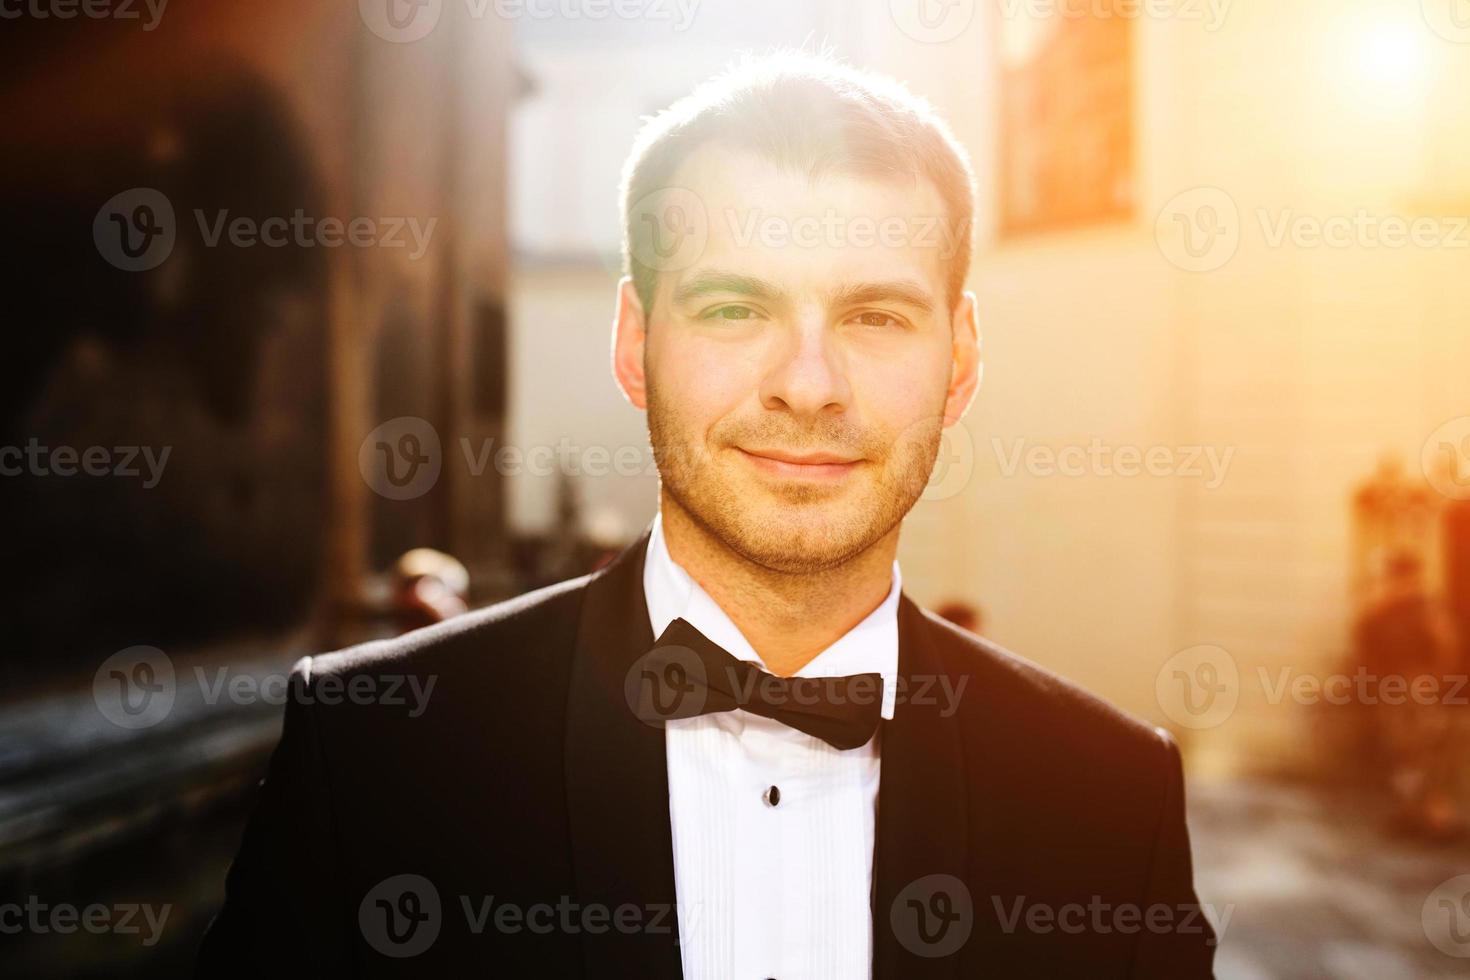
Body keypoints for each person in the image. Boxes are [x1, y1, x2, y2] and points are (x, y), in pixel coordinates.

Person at [198, 52, 1215, 977]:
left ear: (962, 361)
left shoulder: (1115, 803)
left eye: (874, 315)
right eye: (735, 307)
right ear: (635, 343)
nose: (809, 386)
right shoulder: (372, 761)